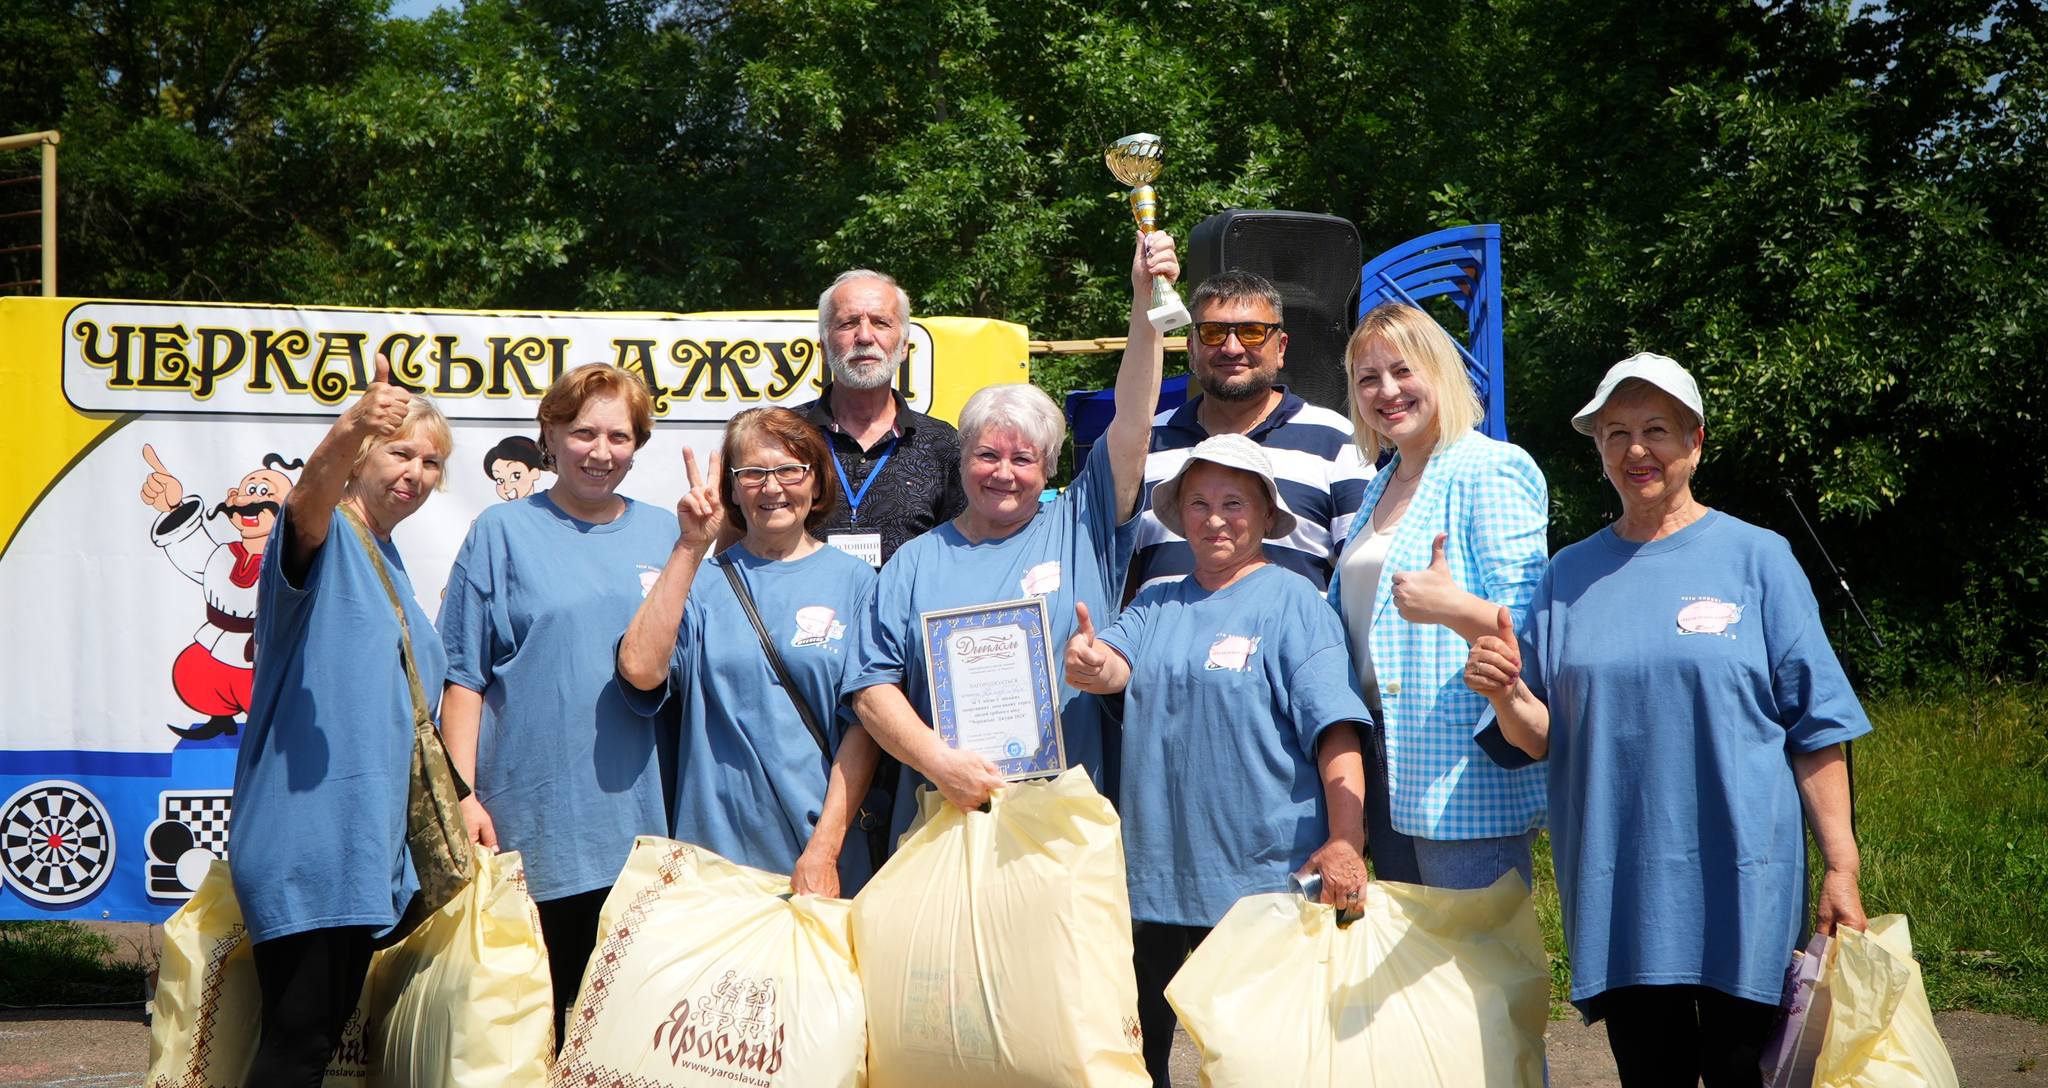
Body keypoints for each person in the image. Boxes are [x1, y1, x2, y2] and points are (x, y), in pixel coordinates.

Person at [1464, 353, 1870, 1085]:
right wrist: (1504, 694)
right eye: (1615, 433)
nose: (1636, 450)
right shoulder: (1569, 576)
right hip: (1620, 882)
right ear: (1598, 450)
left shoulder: (1759, 559)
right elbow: (1541, 738)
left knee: (1743, 1070)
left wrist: (1841, 865)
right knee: (1650, 1074)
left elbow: (1818, 727)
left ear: (1696, 442)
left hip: (1743, 875)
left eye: (1656, 429)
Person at [843, 232, 1178, 828]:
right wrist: (939, 761)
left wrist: (1143, 301)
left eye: (1023, 459)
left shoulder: (1083, 524)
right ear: (961, 457)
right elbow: (871, 689)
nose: (1003, 473)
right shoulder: (914, 562)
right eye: (986, 455)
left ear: (1050, 469)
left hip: (1064, 823)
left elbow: (1133, 419)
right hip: (943, 819)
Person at [1066, 433, 1370, 1088]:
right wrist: (1091, 665)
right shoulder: (1156, 601)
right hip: (1152, 881)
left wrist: (1347, 839)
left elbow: (1336, 731)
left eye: (1233, 503)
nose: (1214, 518)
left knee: (1249, 1061)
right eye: (1198, 503)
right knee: (1136, 1058)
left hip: (1258, 884)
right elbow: (1112, 665)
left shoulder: (1296, 605)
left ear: (1265, 514)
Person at [227, 355, 453, 1086]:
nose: (417, 471)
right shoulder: (324, 542)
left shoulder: (388, 559)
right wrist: (352, 422)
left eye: (432, 461)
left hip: (362, 842)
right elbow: (304, 507)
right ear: (359, 457)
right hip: (309, 837)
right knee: (296, 1047)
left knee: (316, 1042)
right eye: (401, 451)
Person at [437, 364, 678, 1044]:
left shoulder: (669, 534)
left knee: (626, 1038)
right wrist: (462, 796)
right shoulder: (501, 531)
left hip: (641, 828)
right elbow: (464, 676)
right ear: (548, 435)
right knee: (528, 1031)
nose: (601, 452)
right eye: (583, 433)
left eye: (620, 436)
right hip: (533, 823)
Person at [1327, 302, 1550, 889]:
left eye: (1403, 371)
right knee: (1415, 974)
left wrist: (1454, 608)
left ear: (1440, 372)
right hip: (1383, 753)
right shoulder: (1383, 480)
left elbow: (1530, 628)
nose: (1387, 391)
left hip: (1461, 771)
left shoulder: (1491, 467)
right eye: (1368, 378)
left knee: (1473, 971)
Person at [617, 407, 883, 896]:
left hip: (819, 859)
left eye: (789, 470)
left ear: (817, 483)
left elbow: (864, 728)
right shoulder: (700, 582)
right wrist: (690, 546)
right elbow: (640, 670)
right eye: (753, 474)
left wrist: (823, 852)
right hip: (714, 864)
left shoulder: (858, 584)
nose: (773, 487)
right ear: (733, 491)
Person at [1125, 269, 1370, 597]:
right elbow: (1113, 572)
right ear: (1191, 348)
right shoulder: (1147, 441)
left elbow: (1363, 577)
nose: (1231, 348)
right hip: (1161, 644)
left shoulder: (1336, 441)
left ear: (1280, 347)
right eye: (1213, 332)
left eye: (1252, 332)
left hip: (1292, 646)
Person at [796, 269, 967, 569]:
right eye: (848, 323)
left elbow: (962, 559)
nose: (864, 336)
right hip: (801, 614)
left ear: (903, 347)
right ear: (823, 348)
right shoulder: (783, 437)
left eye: (881, 322)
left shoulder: (943, 444)